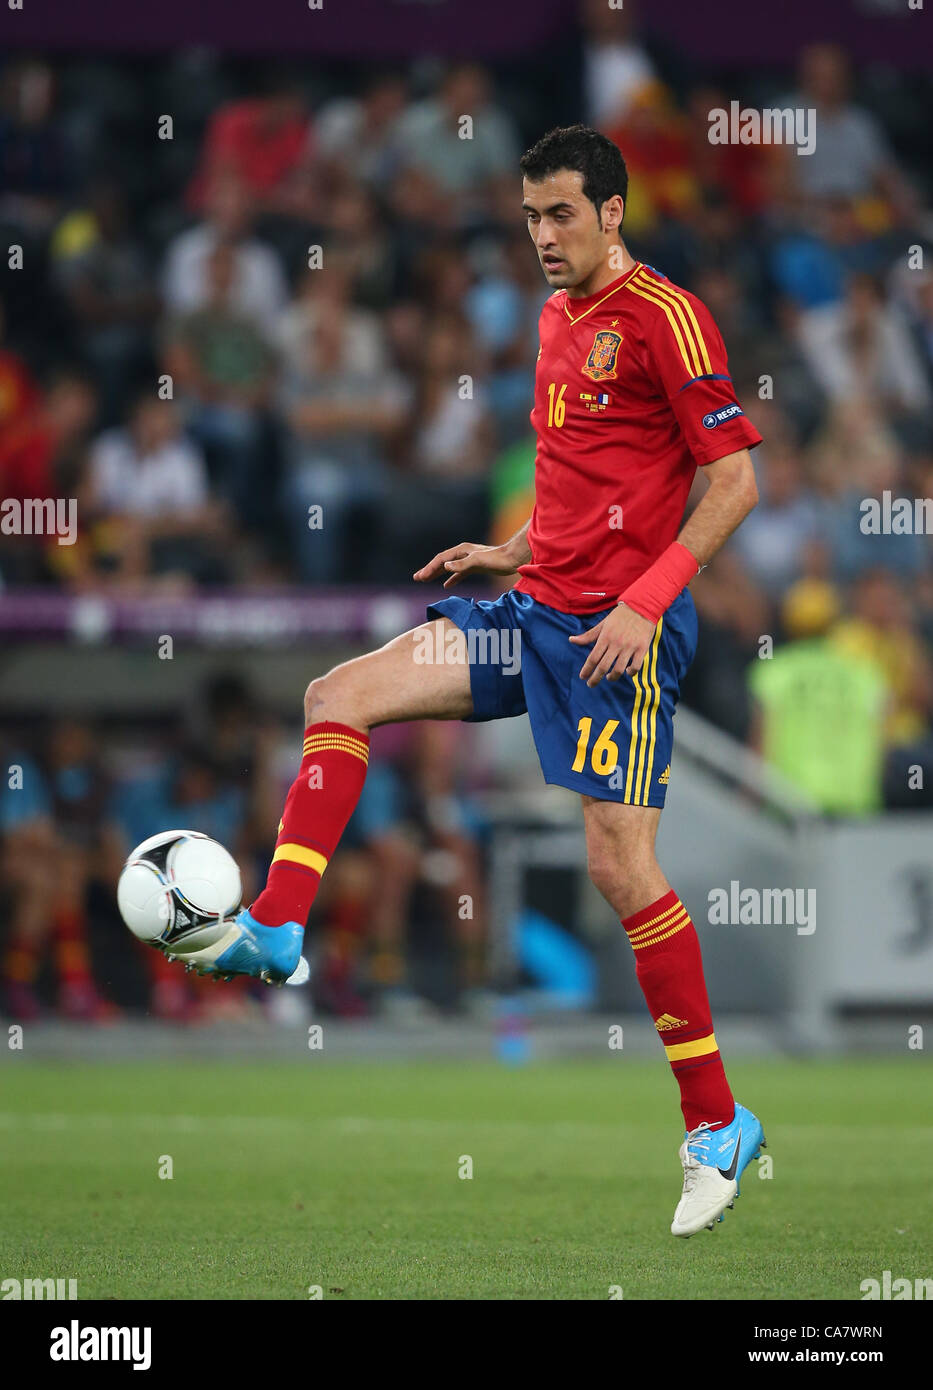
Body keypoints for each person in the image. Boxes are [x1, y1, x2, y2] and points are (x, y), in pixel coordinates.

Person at [151, 125, 765, 1239]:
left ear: (614, 211)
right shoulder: (551, 317)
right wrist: (517, 549)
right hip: (531, 611)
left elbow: (732, 481)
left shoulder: (667, 318)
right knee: (337, 696)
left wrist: (647, 599)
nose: (541, 236)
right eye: (530, 216)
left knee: (621, 869)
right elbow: (591, 483)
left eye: (562, 214)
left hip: (615, 641)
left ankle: (716, 1122)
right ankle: (282, 928)